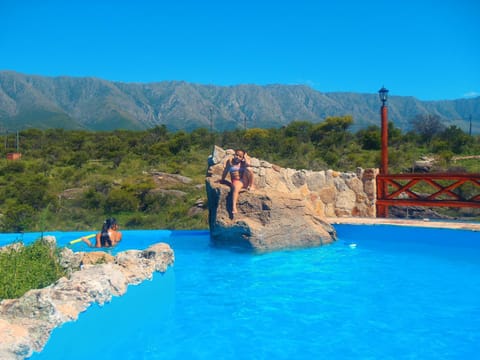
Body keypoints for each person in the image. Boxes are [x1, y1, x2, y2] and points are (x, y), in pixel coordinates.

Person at [220, 149, 255, 214]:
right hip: (236, 181)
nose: (237, 157)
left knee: (249, 169)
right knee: (236, 189)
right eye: (236, 155)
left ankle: (251, 185)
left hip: (244, 180)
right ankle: (234, 207)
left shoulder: (243, 162)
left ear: (242, 157)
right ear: (234, 154)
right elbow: (225, 171)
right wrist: (222, 179)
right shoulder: (230, 162)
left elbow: (248, 164)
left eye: (240, 156)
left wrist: (245, 157)